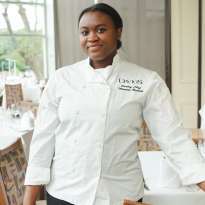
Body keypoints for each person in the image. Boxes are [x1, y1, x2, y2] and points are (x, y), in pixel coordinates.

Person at [23, 3, 205, 205]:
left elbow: (173, 137)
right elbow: (43, 140)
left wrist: (201, 179)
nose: (92, 37)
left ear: (118, 32)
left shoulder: (146, 80)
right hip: (66, 192)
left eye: (101, 30)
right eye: (85, 32)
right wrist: (29, 198)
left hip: (121, 193)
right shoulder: (62, 79)